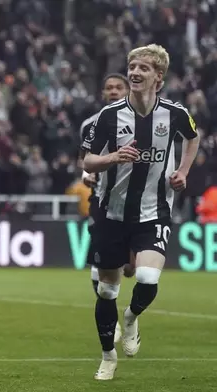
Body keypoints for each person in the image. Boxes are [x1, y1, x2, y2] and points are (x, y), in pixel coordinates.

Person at [82, 44, 200, 380]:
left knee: (147, 278)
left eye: (143, 68)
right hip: (111, 213)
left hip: (154, 211)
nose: (134, 72)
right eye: (132, 66)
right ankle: (108, 356)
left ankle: (132, 317)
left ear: (158, 78)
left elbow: (194, 137)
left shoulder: (175, 114)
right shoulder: (109, 116)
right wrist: (112, 158)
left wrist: (183, 172)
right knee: (106, 290)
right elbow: (88, 160)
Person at [79, 73, 134, 344]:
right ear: (103, 93)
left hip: (136, 203)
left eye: (118, 87)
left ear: (128, 90)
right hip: (102, 199)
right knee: (99, 268)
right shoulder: (91, 124)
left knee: (132, 269)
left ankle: (131, 312)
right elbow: (84, 160)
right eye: (109, 88)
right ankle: (111, 323)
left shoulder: (142, 122)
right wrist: (85, 177)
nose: (113, 91)